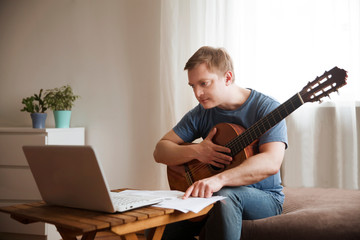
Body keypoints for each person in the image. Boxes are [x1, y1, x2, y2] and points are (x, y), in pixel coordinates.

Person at [153, 46, 288, 240]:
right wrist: (198, 151)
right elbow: (160, 151)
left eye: (204, 83)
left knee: (225, 195)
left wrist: (218, 179)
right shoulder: (201, 112)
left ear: (227, 77)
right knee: (155, 230)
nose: (198, 93)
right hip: (211, 192)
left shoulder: (267, 108)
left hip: (265, 198)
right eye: (192, 86)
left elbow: (271, 161)